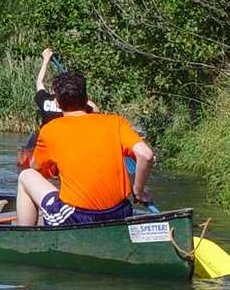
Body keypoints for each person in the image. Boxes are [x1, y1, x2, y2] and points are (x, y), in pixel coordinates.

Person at [15, 71, 154, 227]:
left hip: (76, 217)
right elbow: (146, 155)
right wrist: (138, 190)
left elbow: (36, 167)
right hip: (120, 212)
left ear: (58, 104)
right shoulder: (116, 122)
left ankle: (23, 238)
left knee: (26, 175)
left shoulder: (50, 130)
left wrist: (54, 169)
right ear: (87, 99)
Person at [18, 48, 100, 169]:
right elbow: (96, 111)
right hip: (66, 142)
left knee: (33, 138)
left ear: (53, 90)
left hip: (46, 142)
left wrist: (45, 60)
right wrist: (79, 94)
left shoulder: (45, 99)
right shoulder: (74, 102)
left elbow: (39, 82)